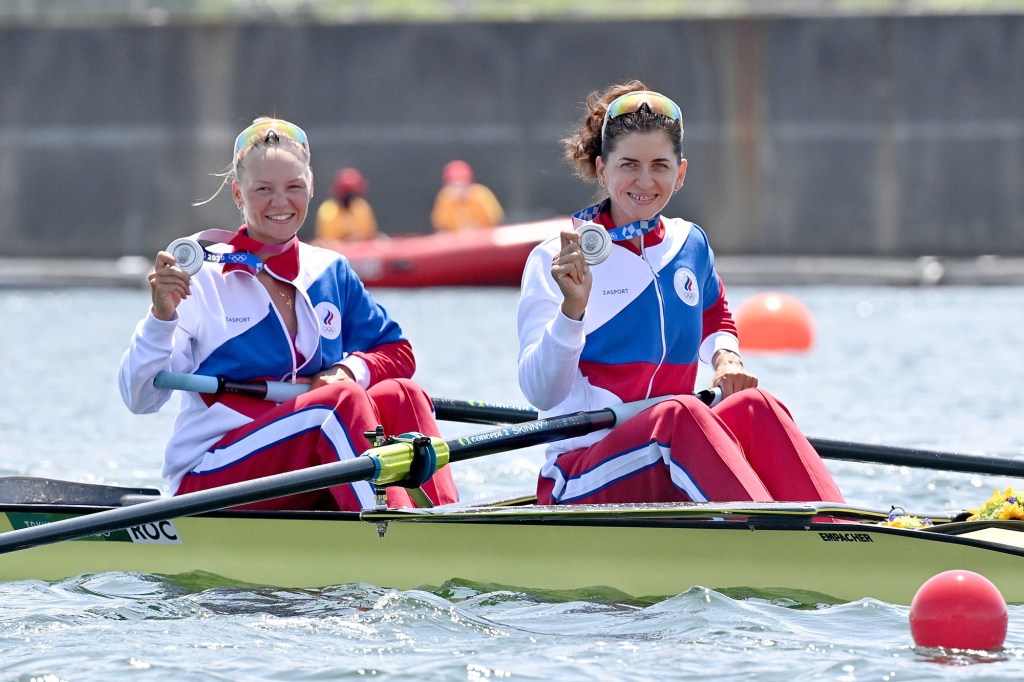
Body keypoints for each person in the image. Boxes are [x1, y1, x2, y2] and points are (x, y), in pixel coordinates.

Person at [516, 82, 844, 506]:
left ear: (680, 172)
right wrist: (572, 311)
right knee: (681, 414)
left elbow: (715, 316)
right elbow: (540, 392)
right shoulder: (557, 259)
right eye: (629, 164)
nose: (645, 181)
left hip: (666, 451)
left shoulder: (689, 244)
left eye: (660, 166)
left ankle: (837, 530)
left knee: (755, 406)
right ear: (602, 170)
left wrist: (728, 359)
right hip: (580, 471)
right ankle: (776, 539)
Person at [118, 117, 457, 511]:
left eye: (293, 187)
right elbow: (139, 397)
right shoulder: (199, 273)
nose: (280, 203)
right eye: (263, 189)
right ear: (238, 195)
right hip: (214, 476)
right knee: (338, 403)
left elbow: (398, 353)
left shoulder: (330, 270)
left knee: (404, 395)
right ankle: (398, 528)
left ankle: (449, 521)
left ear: (311, 188)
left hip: (301, 463)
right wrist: (161, 318)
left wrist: (350, 370)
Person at [430, 159, 504, 232]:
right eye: (455, 186)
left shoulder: (481, 195)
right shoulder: (445, 198)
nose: (459, 190)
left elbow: (496, 220)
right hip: (457, 241)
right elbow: (440, 225)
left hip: (484, 238)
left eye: (462, 186)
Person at [314, 167, 379, 242]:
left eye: (354, 193)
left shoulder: (361, 206)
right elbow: (327, 241)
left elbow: (370, 236)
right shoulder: (329, 210)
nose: (351, 197)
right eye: (348, 193)